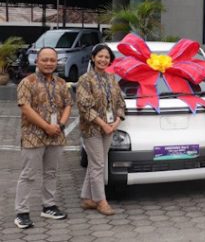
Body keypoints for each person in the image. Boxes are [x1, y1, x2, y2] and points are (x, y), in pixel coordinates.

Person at [14, 47, 72, 229]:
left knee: (51, 172)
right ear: (37, 61)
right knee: (28, 174)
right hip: (33, 136)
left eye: (52, 60)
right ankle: (21, 213)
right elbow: (25, 107)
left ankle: (49, 206)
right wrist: (46, 127)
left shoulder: (61, 83)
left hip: (56, 135)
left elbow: (68, 104)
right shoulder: (27, 82)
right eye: (45, 60)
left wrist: (61, 125)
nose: (49, 63)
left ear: (57, 62)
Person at [76, 44, 126, 215]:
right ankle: (101, 201)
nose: (103, 60)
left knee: (96, 163)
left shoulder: (111, 79)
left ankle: (87, 198)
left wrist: (116, 122)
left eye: (106, 57)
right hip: (92, 129)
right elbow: (84, 106)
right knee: (98, 165)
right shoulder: (85, 79)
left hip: (110, 128)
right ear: (93, 58)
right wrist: (102, 124)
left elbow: (120, 102)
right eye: (100, 56)